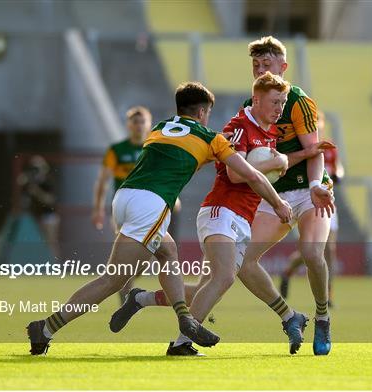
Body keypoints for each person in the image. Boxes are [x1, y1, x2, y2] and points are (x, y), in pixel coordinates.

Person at [26, 81, 292, 355]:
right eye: (208, 113)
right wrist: (278, 201)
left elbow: (180, 159)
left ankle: (185, 321)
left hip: (125, 198)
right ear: (202, 113)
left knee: (168, 251)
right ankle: (45, 328)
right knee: (113, 280)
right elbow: (249, 175)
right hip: (150, 204)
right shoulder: (211, 138)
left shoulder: (159, 129)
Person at [110, 73, 325, 355]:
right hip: (221, 211)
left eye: (283, 103)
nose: (279, 109)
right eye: (275, 102)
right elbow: (237, 174)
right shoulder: (239, 127)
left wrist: (293, 157)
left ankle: (142, 299)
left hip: (242, 218)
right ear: (257, 100)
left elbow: (270, 164)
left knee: (207, 285)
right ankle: (181, 343)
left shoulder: (270, 132)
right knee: (224, 277)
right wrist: (277, 191)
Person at [235, 36, 335, 356]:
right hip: (275, 194)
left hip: (309, 189)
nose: (260, 70)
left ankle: (322, 316)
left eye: (267, 64)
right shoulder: (248, 107)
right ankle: (290, 316)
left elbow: (314, 151)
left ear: (283, 67)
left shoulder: (299, 101)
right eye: (256, 65)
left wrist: (317, 184)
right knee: (242, 261)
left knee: (310, 251)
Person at [91, 106, 181, 304]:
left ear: (149, 125)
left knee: (143, 258)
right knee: (137, 254)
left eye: (142, 122)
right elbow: (103, 180)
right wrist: (98, 209)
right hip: (126, 210)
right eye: (134, 122)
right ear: (128, 125)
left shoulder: (154, 148)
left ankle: (125, 285)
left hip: (150, 209)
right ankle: (122, 287)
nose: (138, 126)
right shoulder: (117, 150)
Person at [279, 112, 345, 306]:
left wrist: (337, 174)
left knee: (329, 250)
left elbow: (338, 168)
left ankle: (328, 293)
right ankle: (288, 272)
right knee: (313, 249)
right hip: (306, 200)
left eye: (318, 123)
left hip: (327, 198)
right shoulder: (300, 147)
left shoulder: (330, 147)